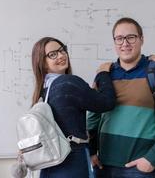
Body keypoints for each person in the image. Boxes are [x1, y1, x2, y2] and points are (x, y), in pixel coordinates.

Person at [87, 17, 155, 178]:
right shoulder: (104, 75)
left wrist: (151, 159)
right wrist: (90, 152)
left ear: (141, 39)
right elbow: (92, 118)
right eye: (119, 38)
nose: (125, 43)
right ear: (115, 42)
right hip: (104, 167)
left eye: (131, 37)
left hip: (141, 169)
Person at [31, 36, 116, 178]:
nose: (61, 55)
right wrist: (103, 73)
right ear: (43, 63)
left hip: (49, 165)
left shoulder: (42, 91)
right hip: (71, 161)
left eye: (62, 50)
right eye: (53, 54)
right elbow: (107, 102)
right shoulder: (69, 83)